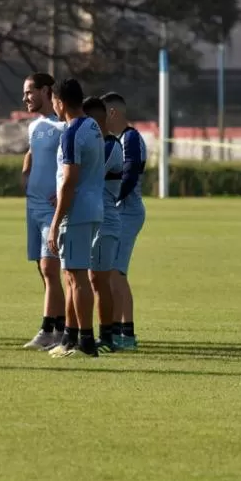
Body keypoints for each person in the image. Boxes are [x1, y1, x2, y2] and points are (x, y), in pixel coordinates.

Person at [46, 79, 104, 358]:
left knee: (77, 277)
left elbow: (69, 181)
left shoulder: (72, 133)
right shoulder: (92, 125)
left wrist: (55, 223)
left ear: (59, 101)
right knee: (71, 275)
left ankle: (87, 342)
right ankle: (70, 338)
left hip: (77, 211)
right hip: (91, 206)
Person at [20, 72, 67, 350]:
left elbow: (76, 163)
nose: (25, 98)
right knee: (43, 269)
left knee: (51, 269)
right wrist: (25, 174)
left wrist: (62, 194)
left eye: (29, 92)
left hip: (53, 211)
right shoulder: (35, 127)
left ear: (46, 91)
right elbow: (33, 152)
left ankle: (48, 330)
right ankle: (60, 327)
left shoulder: (64, 127)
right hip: (33, 209)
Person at [102, 92, 145, 351]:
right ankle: (118, 330)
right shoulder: (115, 139)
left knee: (116, 273)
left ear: (113, 113)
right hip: (118, 212)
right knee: (112, 274)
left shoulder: (131, 138)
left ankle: (126, 334)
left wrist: (114, 198)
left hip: (127, 212)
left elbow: (130, 174)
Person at [83, 96, 122, 353]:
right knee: (93, 279)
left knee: (99, 280)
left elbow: (90, 176)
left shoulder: (109, 147)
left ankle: (107, 336)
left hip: (106, 220)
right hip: (94, 218)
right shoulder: (98, 144)